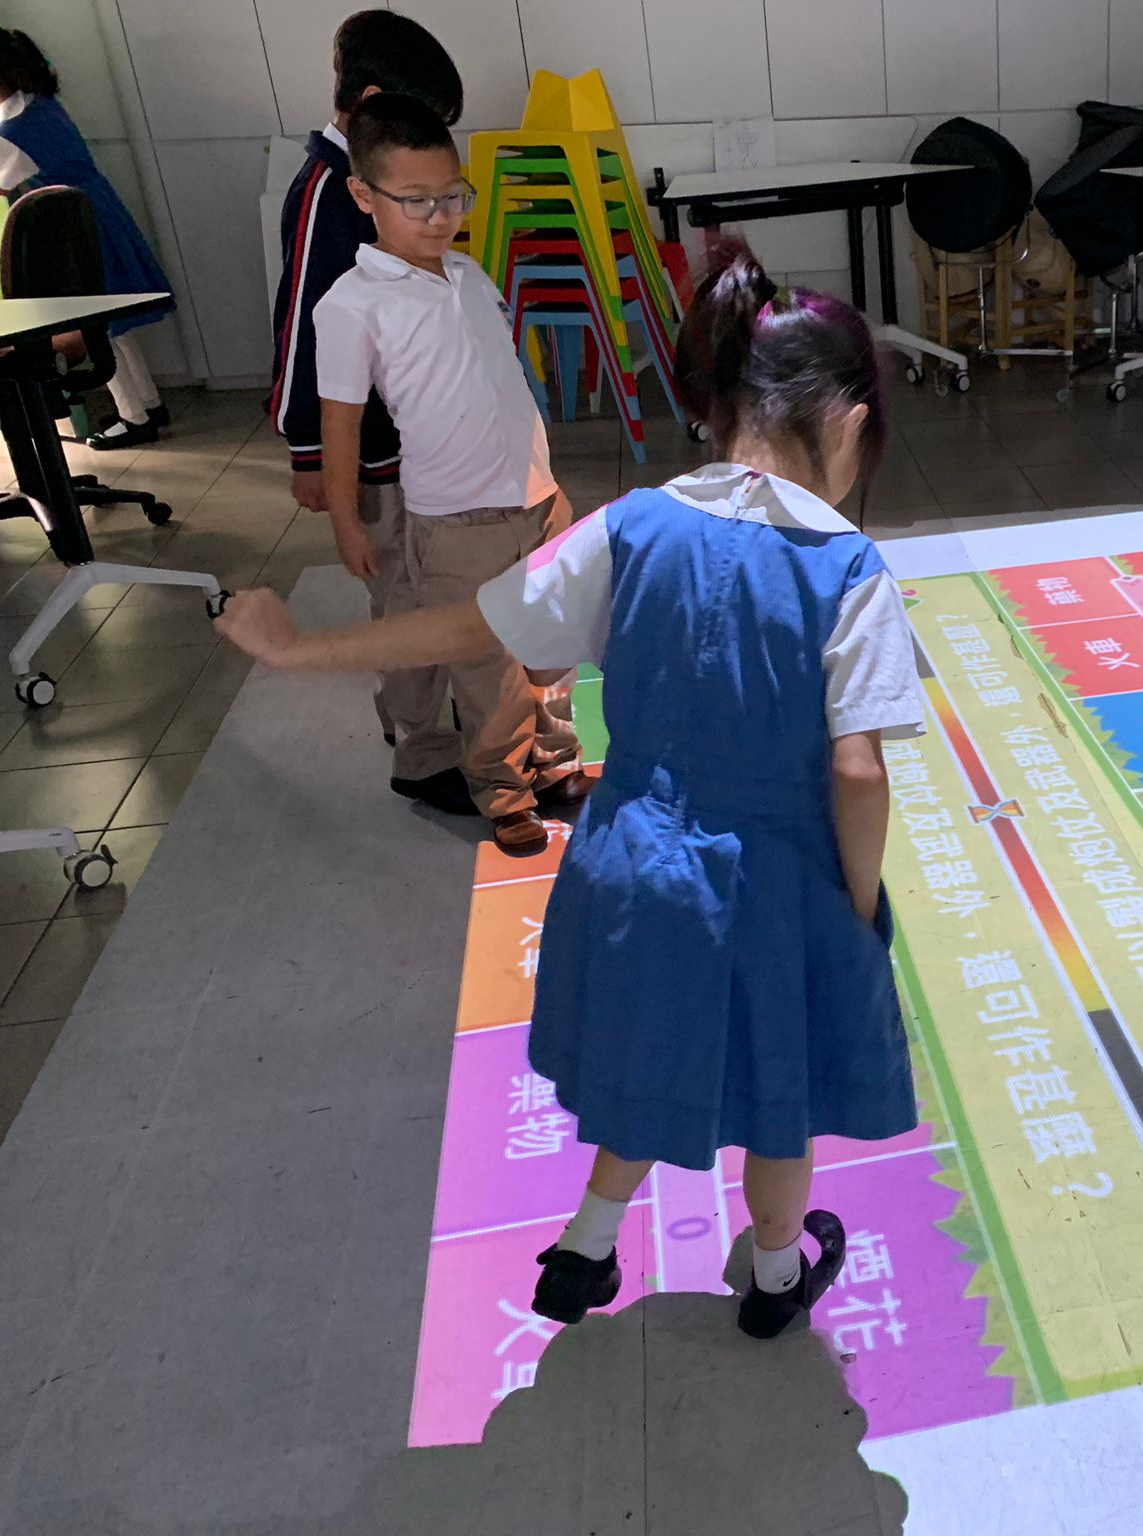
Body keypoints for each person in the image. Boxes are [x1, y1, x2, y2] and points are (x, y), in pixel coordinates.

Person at [215, 241, 926, 1341]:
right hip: (777, 883)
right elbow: (856, 769)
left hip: (632, 862)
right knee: (777, 1100)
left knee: (650, 1058)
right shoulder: (848, 570)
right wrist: (860, 898)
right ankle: (777, 1272)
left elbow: (476, 627)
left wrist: (297, 649)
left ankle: (585, 1250)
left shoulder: (631, 525)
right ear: (846, 424)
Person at [313, 93, 587, 853]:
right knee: (485, 664)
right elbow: (339, 423)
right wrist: (347, 522)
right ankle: (502, 789)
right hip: (455, 518)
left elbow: (503, 388)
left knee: (552, 645)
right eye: (416, 200)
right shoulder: (351, 304)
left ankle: (555, 761)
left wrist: (549, 482)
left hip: (536, 498)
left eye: (452, 196)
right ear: (363, 195)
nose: (439, 216)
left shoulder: (469, 273)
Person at [269, 10, 469, 818]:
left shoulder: (371, 185)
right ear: (375, 105)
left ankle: (420, 717)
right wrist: (310, 453)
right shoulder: (328, 193)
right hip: (373, 448)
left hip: (416, 442)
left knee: (430, 586)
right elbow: (301, 330)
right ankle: (421, 750)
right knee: (405, 596)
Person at [0, 29, 175, 451]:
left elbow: (3, 185)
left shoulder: (11, 130)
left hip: (71, 231)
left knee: (96, 324)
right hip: (96, 211)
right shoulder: (40, 105)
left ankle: (134, 418)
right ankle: (149, 404)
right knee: (114, 322)